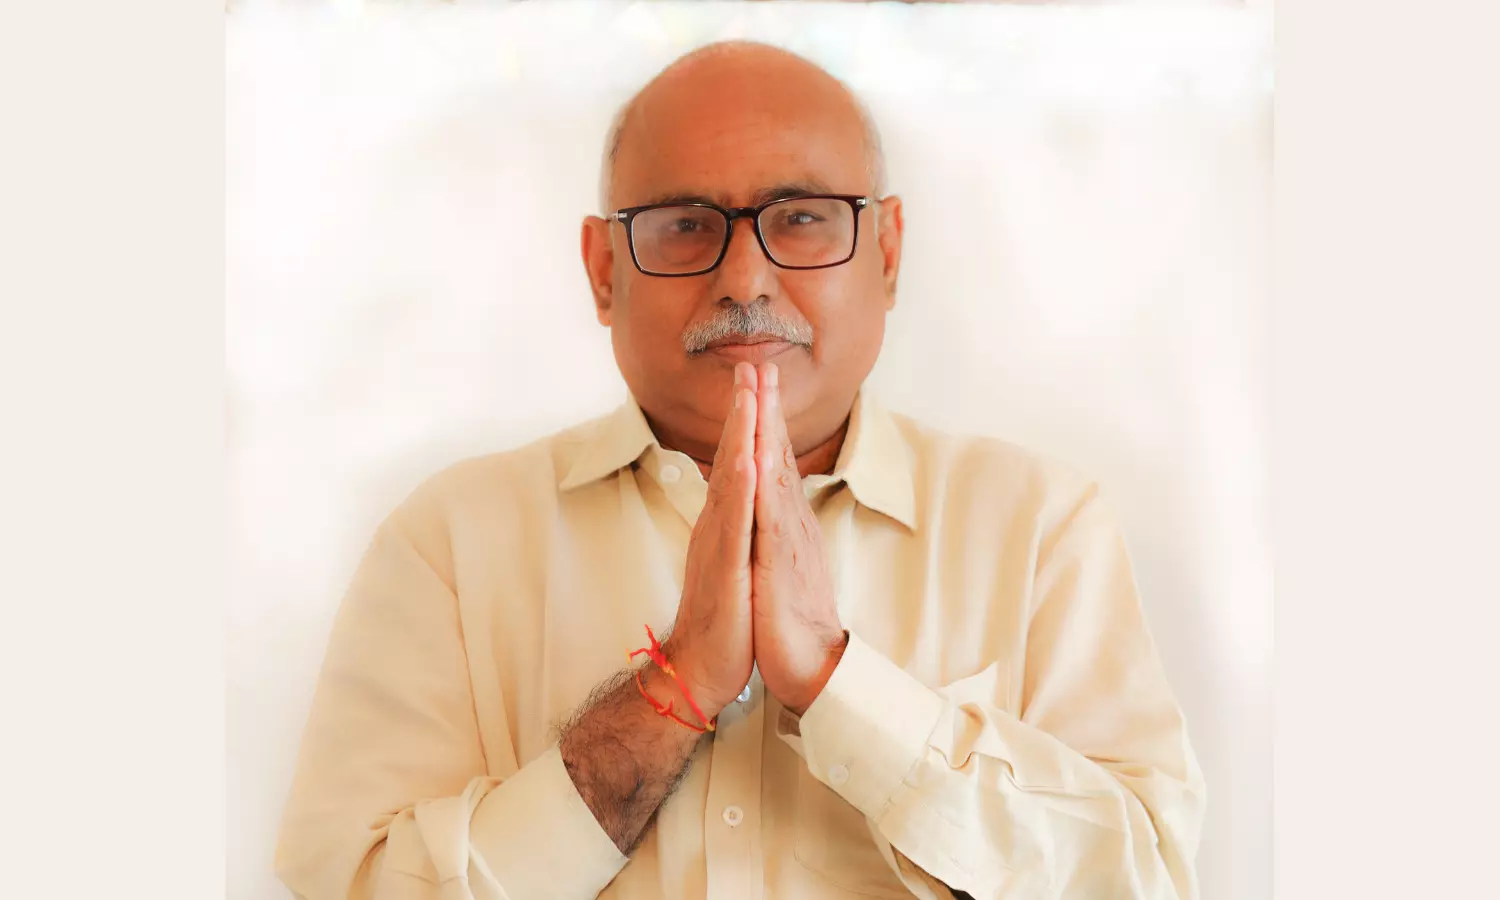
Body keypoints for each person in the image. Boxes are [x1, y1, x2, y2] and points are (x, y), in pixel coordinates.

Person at [275, 40, 1204, 900]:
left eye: (800, 219)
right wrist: (670, 693)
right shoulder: (451, 541)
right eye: (685, 225)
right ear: (603, 270)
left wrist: (837, 682)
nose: (746, 280)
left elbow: (1142, 879)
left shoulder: (1039, 529)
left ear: (887, 253)